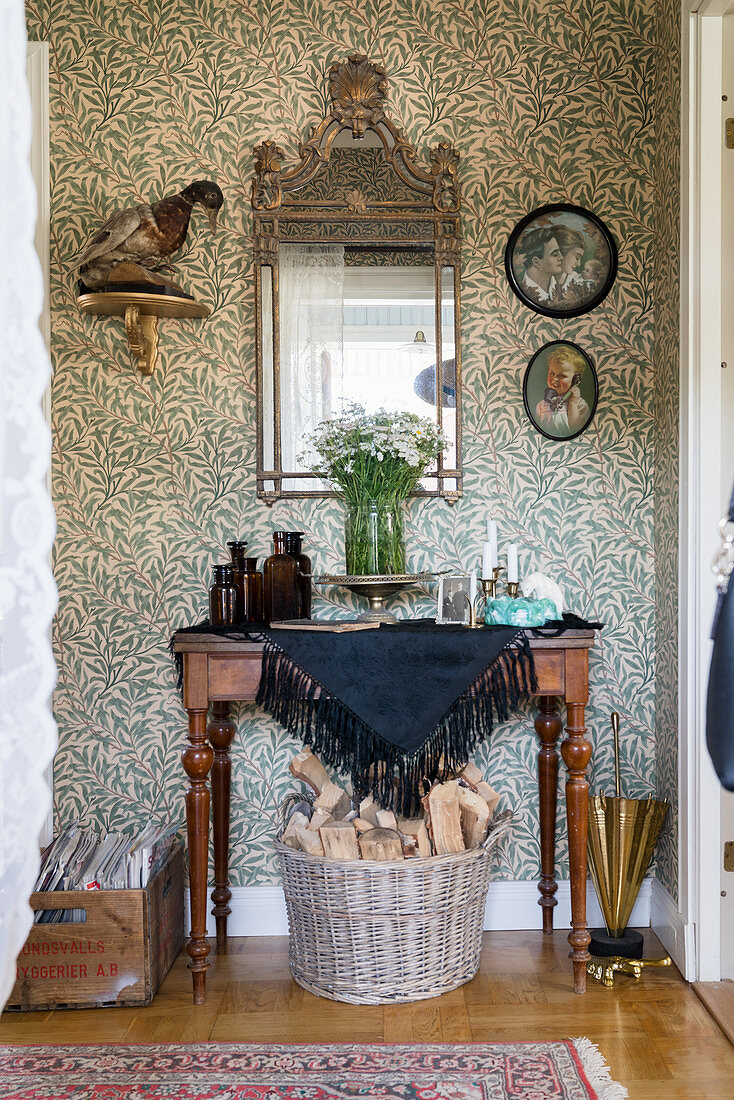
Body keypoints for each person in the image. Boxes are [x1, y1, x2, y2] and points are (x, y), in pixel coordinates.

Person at [534, 345, 590, 435]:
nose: (554, 379)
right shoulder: (541, 406)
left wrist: (573, 403)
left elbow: (577, 429)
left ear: (576, 379)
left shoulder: (580, 404)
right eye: (552, 373)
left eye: (561, 376)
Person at [518, 228, 563, 304]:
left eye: (560, 252)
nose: (561, 257)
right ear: (536, 262)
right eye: (555, 254)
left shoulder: (560, 288)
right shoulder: (524, 293)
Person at [553, 225, 587, 301]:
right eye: (577, 257)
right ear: (562, 252)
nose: (579, 264)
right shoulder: (543, 278)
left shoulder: (578, 280)